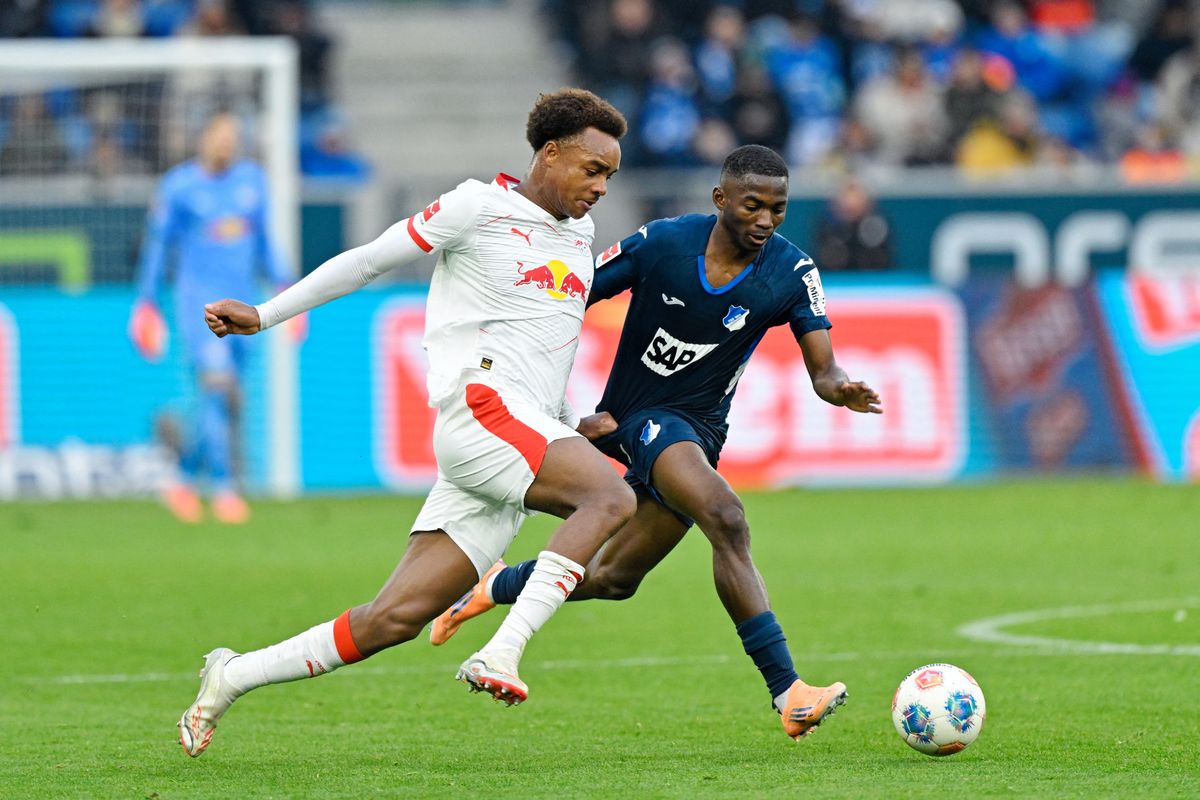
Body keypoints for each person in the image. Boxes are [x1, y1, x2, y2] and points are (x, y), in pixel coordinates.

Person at [177, 89, 634, 757]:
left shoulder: (581, 236)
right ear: (550, 153)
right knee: (610, 496)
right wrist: (267, 314)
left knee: (392, 619)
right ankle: (501, 653)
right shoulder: (477, 207)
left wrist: (568, 422)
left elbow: (544, 347)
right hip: (482, 412)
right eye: (592, 169)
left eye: (610, 176)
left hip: (519, 432)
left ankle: (230, 676)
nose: (600, 186)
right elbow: (367, 261)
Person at [430, 144, 883, 741]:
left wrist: (839, 387)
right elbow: (568, 299)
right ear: (721, 199)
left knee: (615, 579)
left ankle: (496, 585)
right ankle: (789, 691)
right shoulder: (663, 243)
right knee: (726, 515)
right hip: (640, 419)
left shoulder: (792, 272)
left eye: (778, 208)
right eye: (752, 206)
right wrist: (547, 399)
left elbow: (822, 369)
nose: (766, 221)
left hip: (700, 434)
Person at [130, 112, 293, 524]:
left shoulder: (252, 181)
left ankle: (182, 478)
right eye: (219, 137)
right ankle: (223, 487)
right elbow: (157, 246)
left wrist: (287, 291)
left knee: (224, 397)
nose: (226, 144)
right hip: (199, 306)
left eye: (232, 138)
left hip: (246, 307)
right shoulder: (180, 186)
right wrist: (145, 303)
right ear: (202, 139)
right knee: (216, 389)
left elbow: (266, 243)